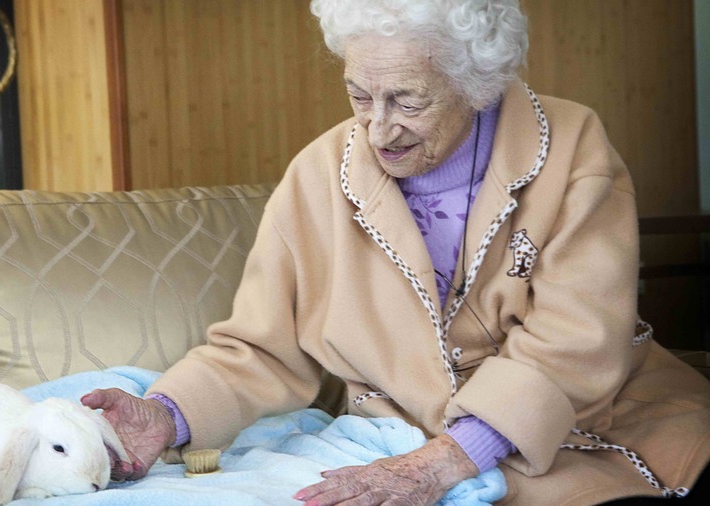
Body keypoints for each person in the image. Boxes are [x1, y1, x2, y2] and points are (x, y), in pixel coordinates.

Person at [81, 0, 710, 504]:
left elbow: (577, 342)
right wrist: (164, 416)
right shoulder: (319, 174)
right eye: (359, 96)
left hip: (607, 420)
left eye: (408, 101)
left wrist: (445, 462)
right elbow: (257, 348)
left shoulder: (571, 147)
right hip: (403, 441)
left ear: (476, 85)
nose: (378, 129)